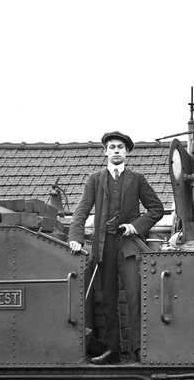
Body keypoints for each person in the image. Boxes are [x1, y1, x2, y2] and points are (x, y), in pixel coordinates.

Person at [68, 131, 164, 364]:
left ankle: (140, 351)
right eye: (112, 147)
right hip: (104, 247)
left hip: (129, 246)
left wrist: (135, 227)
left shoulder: (138, 179)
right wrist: (75, 237)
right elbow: (82, 210)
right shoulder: (95, 179)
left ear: (127, 151)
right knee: (109, 301)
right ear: (106, 152)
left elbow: (156, 209)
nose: (116, 150)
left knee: (135, 297)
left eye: (120, 147)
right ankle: (113, 351)